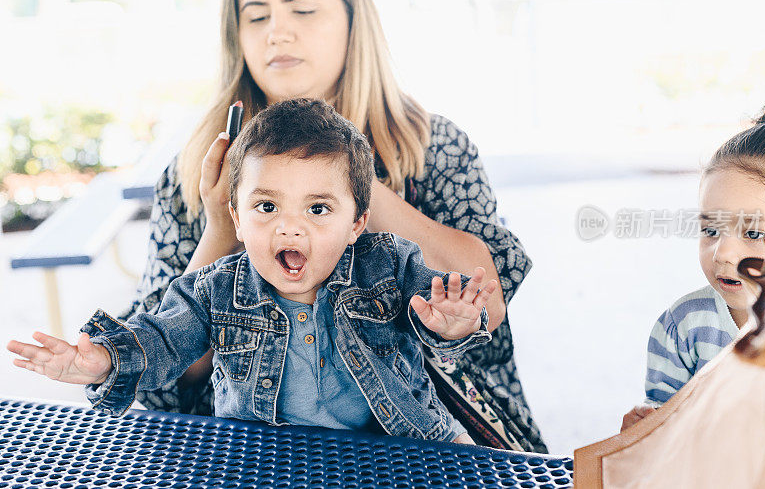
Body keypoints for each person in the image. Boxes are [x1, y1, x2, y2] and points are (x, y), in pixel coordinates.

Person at [117, 0, 542, 451]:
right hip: (252, 447)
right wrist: (220, 227)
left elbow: (486, 301)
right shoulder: (198, 168)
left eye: (302, 10)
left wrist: (343, 170)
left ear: (351, 20)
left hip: (437, 437)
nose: (277, 33)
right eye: (256, 17)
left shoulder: (433, 144)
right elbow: (166, 386)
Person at [7, 99, 498, 443]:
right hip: (263, 461)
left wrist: (453, 324)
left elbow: (439, 313)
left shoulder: (389, 262)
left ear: (357, 223)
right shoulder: (216, 289)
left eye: (319, 209)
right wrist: (105, 361)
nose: (290, 227)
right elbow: (159, 337)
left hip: (404, 444)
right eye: (266, 206)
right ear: (236, 218)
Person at [621, 111, 765, 431]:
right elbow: (664, 418)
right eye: (711, 229)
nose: (722, 253)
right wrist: (646, 427)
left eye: (754, 233)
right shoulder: (683, 326)